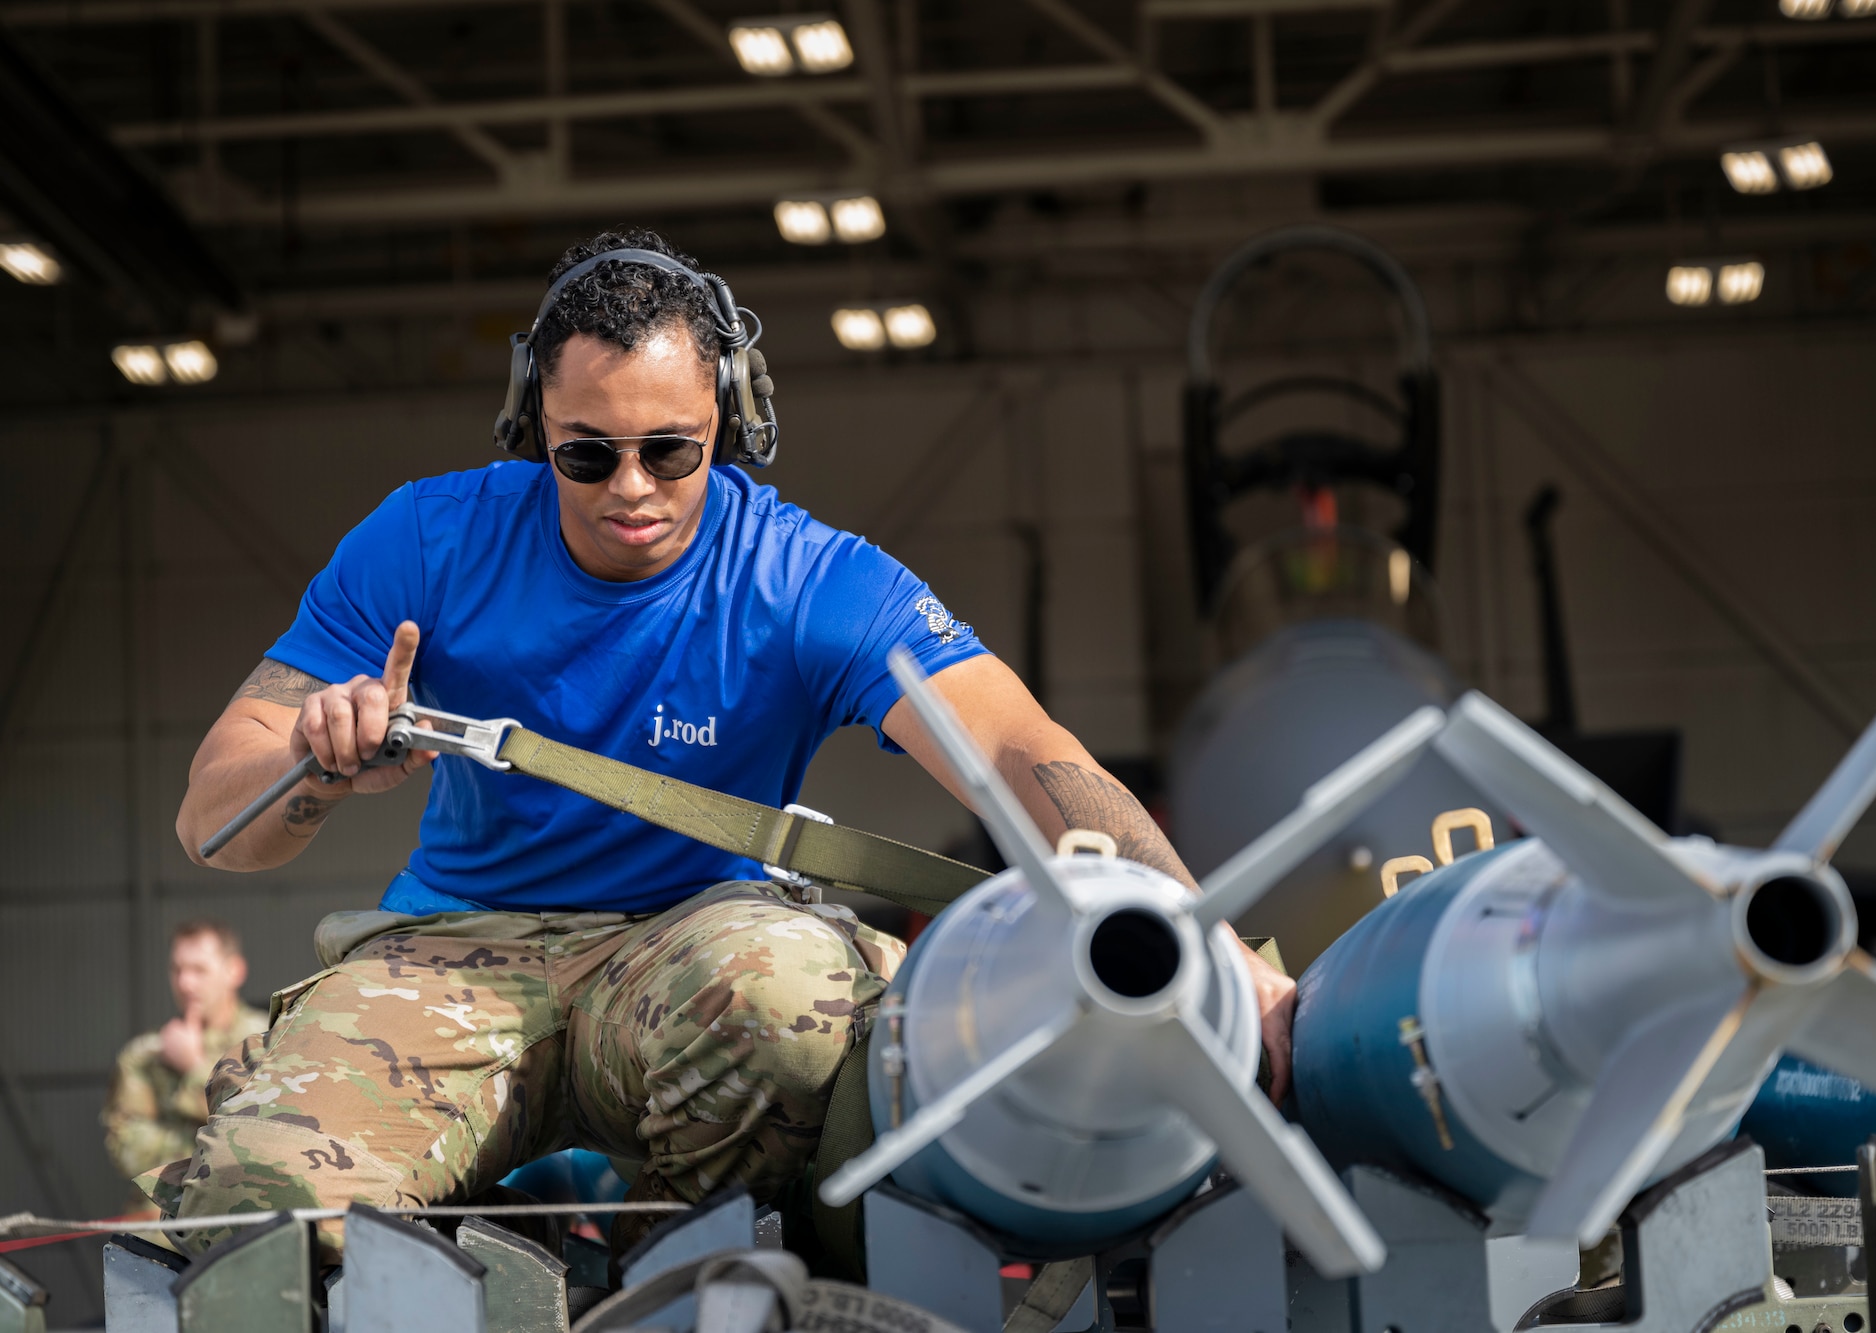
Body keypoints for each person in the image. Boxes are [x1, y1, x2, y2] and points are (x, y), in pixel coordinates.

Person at [155, 229, 1294, 1259]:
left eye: (672, 450)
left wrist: (1203, 943)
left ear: (730, 423)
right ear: (531, 429)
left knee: (788, 996)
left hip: (696, 964)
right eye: (586, 455)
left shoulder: (804, 579)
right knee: (257, 1215)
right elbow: (213, 822)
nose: (632, 490)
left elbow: (1015, 749)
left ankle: (698, 1269)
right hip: (456, 951)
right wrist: (314, 761)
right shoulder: (425, 539)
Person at [103, 920, 266, 1217]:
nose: (185, 983)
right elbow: (127, 1149)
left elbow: (265, 1130)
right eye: (177, 969)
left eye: (199, 970)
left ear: (235, 970)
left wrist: (194, 1068)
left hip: (245, 1218)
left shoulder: (268, 1040)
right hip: (162, 1227)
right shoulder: (145, 1055)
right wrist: (218, 1148)